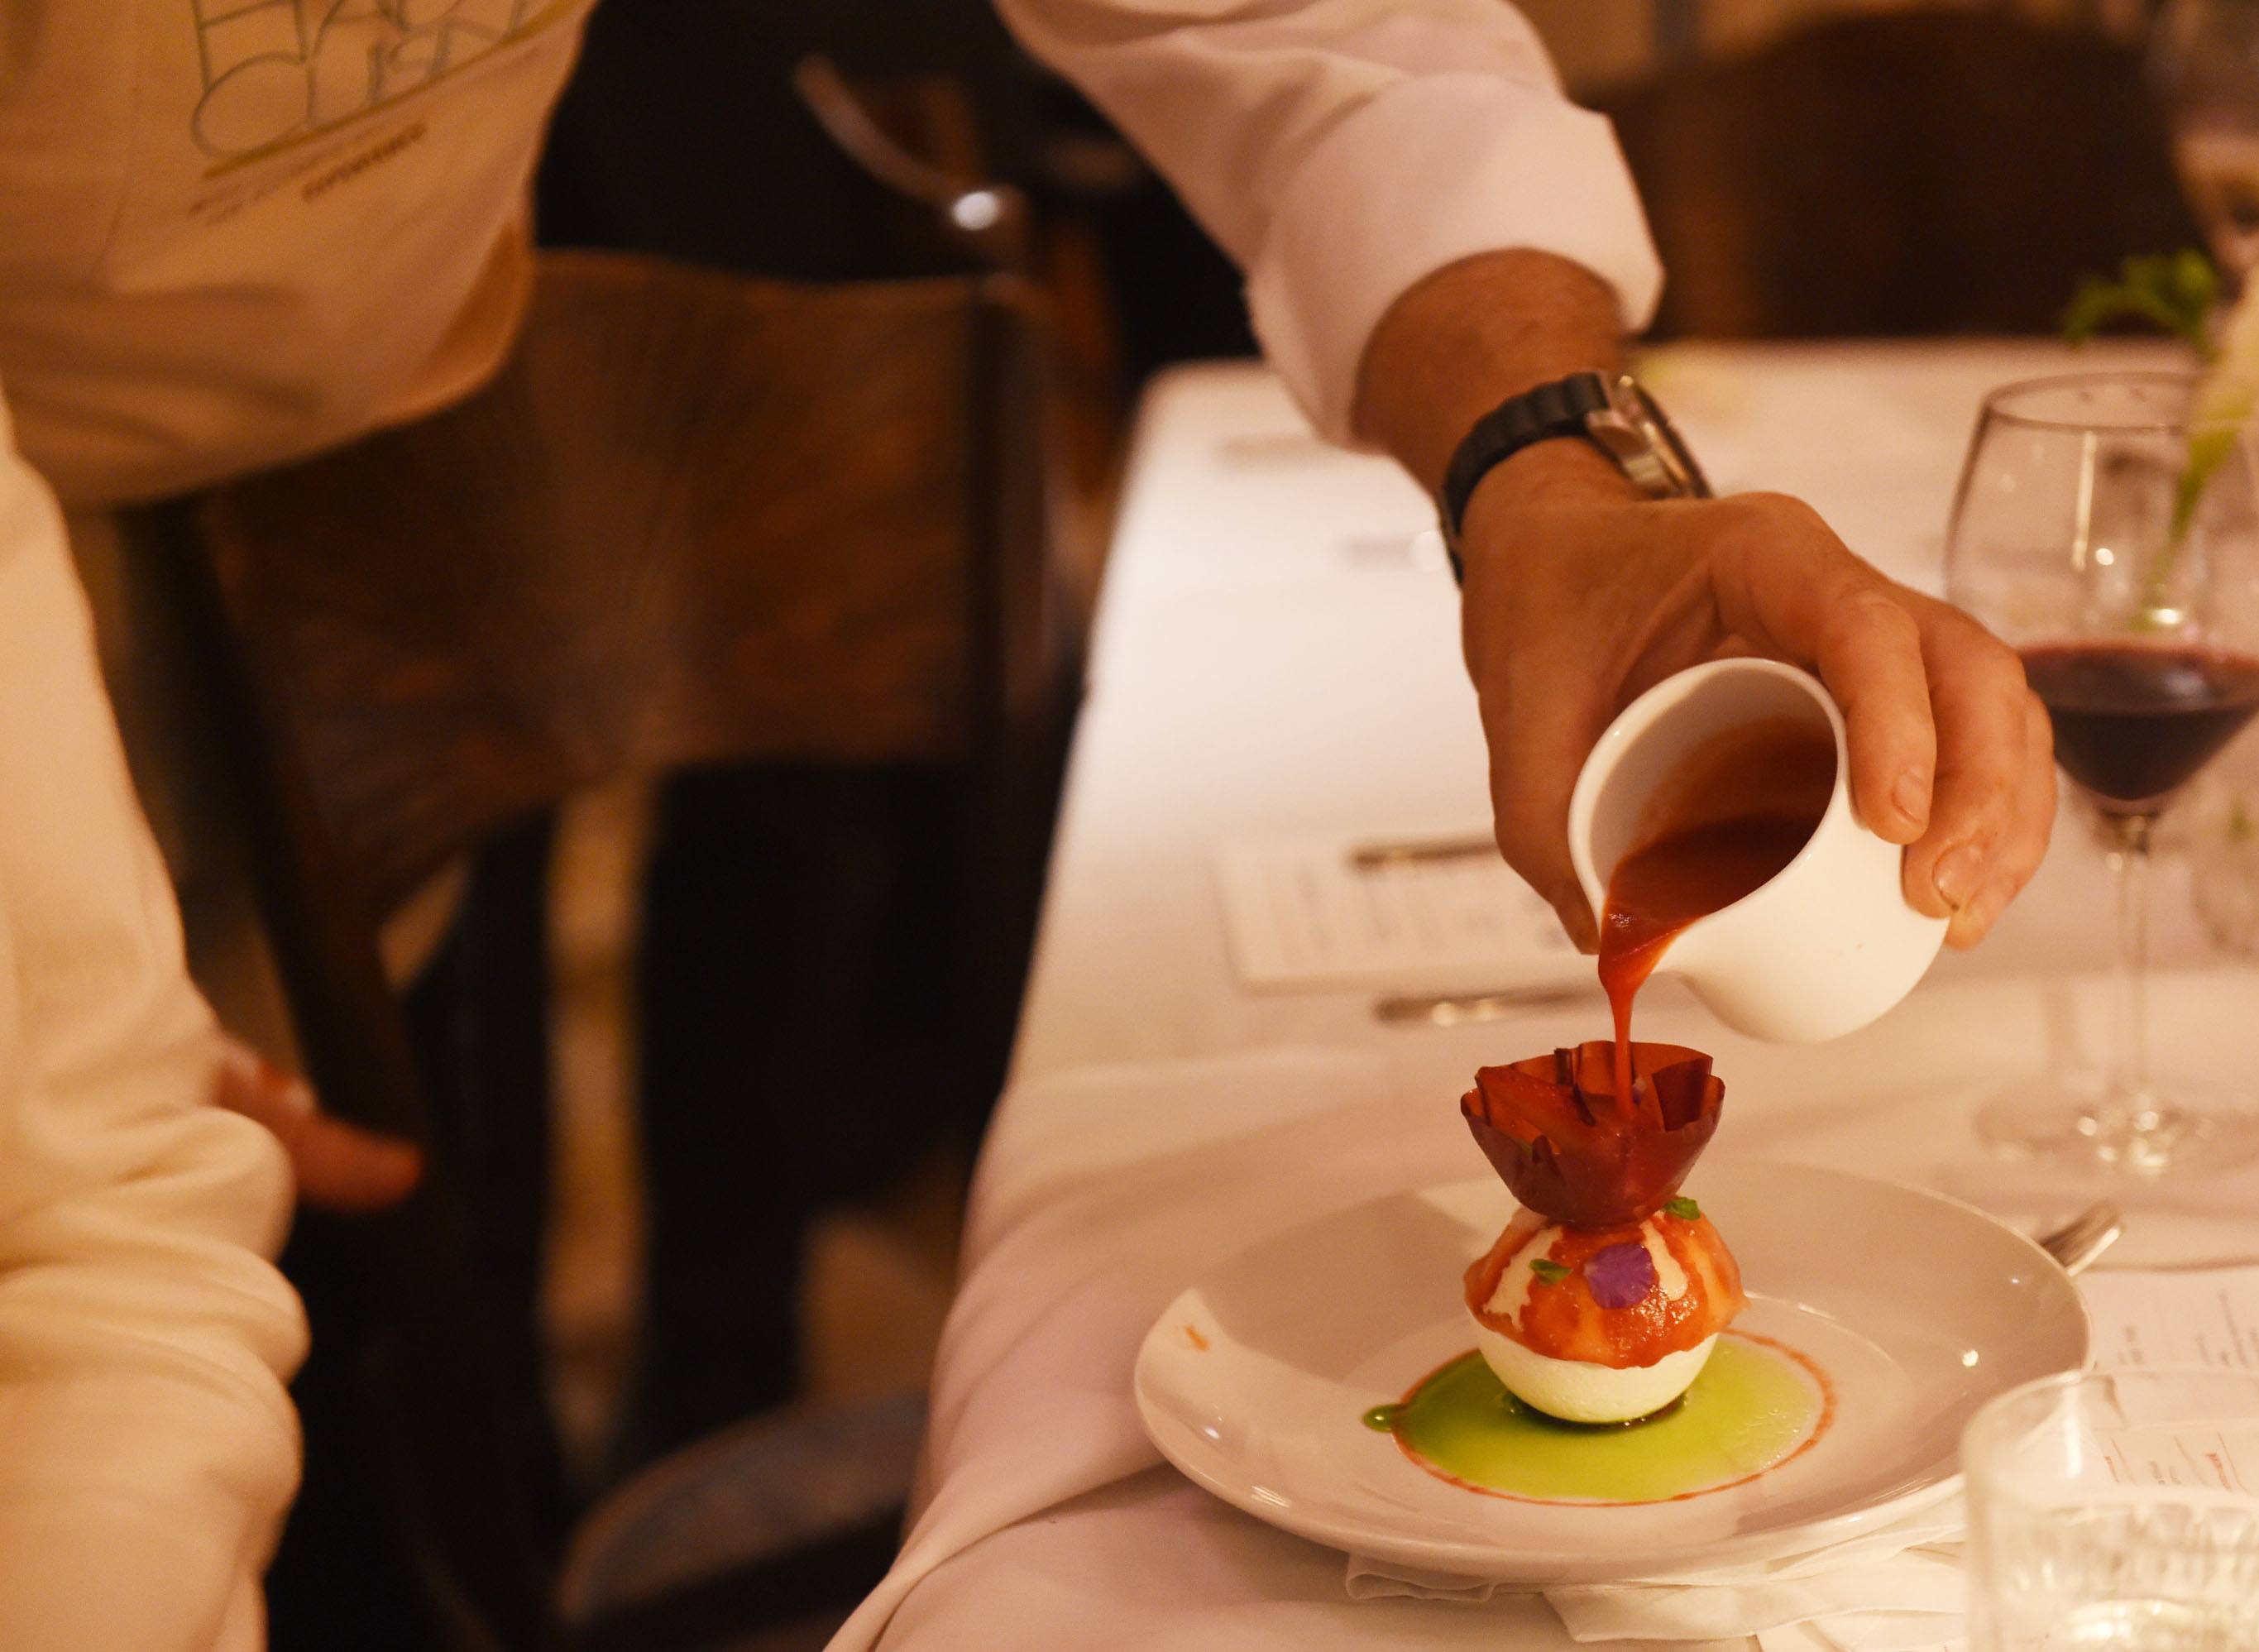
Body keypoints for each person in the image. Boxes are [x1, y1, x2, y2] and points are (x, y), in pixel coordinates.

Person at [0, 1, 2051, 1645]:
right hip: (45, 569)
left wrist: (1549, 464)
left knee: (300, 1348)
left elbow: (1297, 28)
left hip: (343, 452)